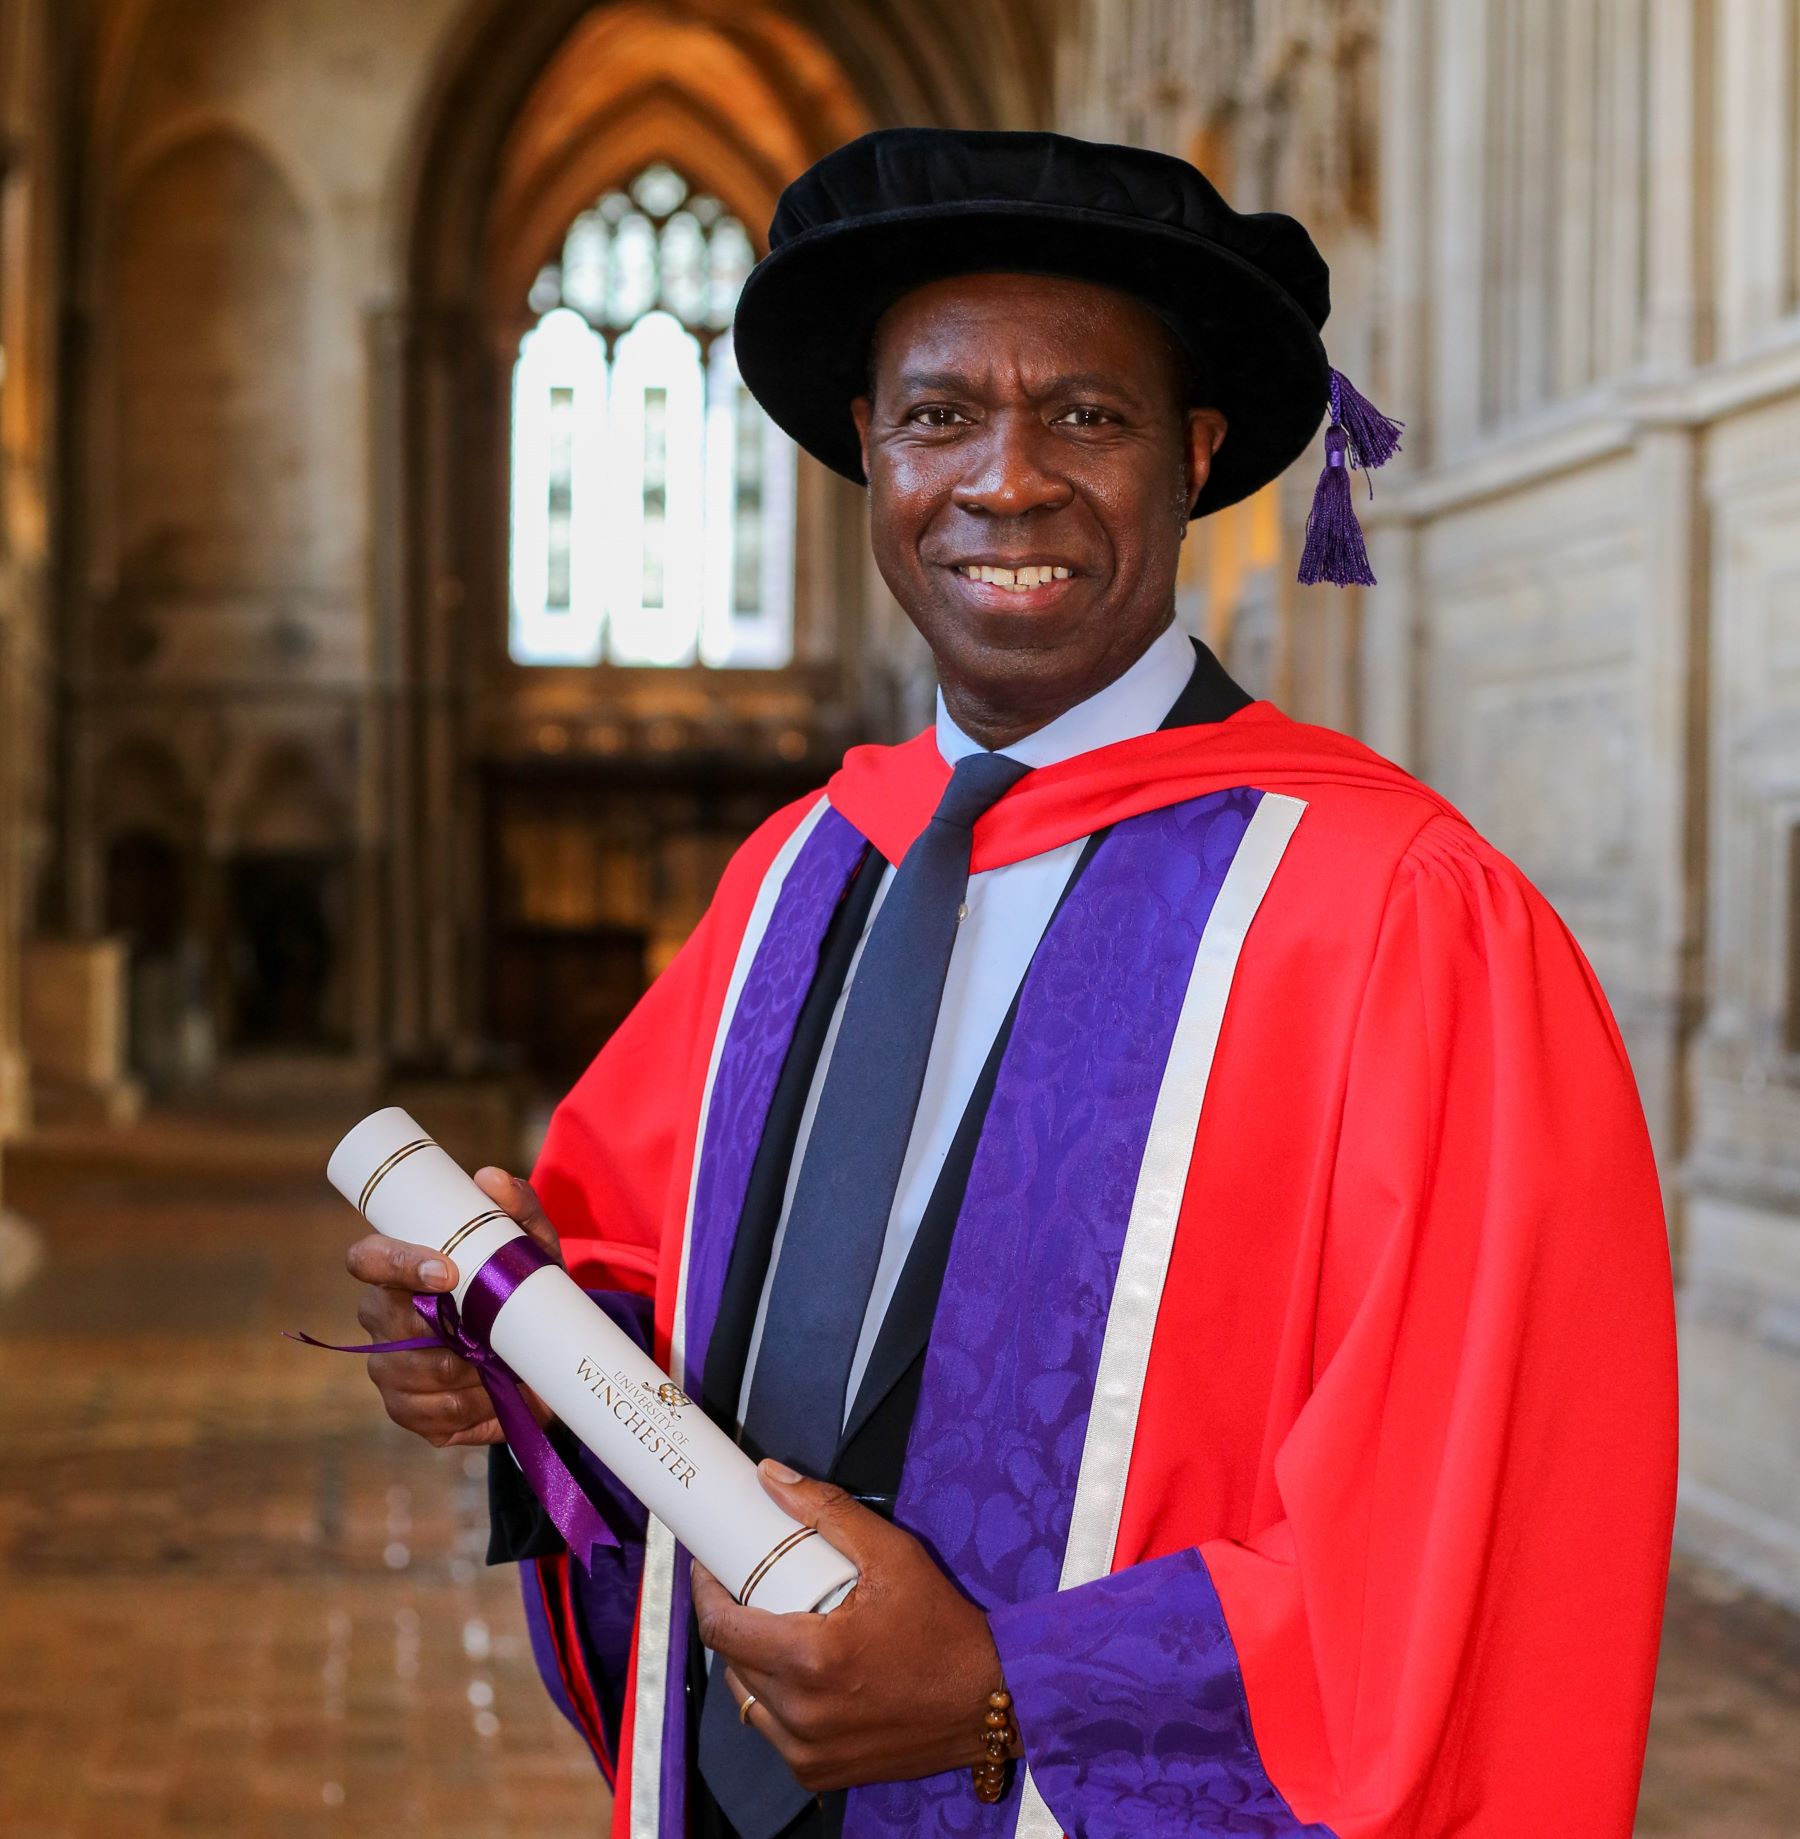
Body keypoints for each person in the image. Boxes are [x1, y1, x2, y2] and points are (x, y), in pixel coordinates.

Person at [347, 129, 1677, 1839]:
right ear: (867, 450)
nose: (1007, 479)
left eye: (1089, 416)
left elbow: (1475, 1537)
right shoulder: (802, 874)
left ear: (1197, 458)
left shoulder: (1399, 924)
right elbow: (644, 1293)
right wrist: (501, 1354)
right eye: (940, 413)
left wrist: (1000, 1695)